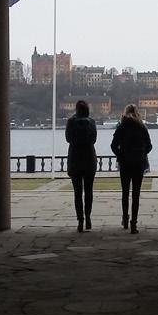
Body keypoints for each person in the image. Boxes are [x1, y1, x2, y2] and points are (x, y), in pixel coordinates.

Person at [111, 104, 153, 234]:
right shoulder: (141, 127)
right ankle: (134, 223)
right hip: (139, 163)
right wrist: (141, 153)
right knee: (136, 194)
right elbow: (149, 146)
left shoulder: (121, 126)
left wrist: (121, 154)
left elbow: (113, 145)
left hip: (125, 163)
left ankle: (125, 218)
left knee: (125, 192)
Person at [65, 100, 97, 233]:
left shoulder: (71, 122)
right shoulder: (91, 122)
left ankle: (80, 220)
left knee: (77, 193)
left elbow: (67, 138)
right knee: (88, 191)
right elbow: (94, 139)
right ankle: (88, 217)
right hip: (89, 158)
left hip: (75, 159)